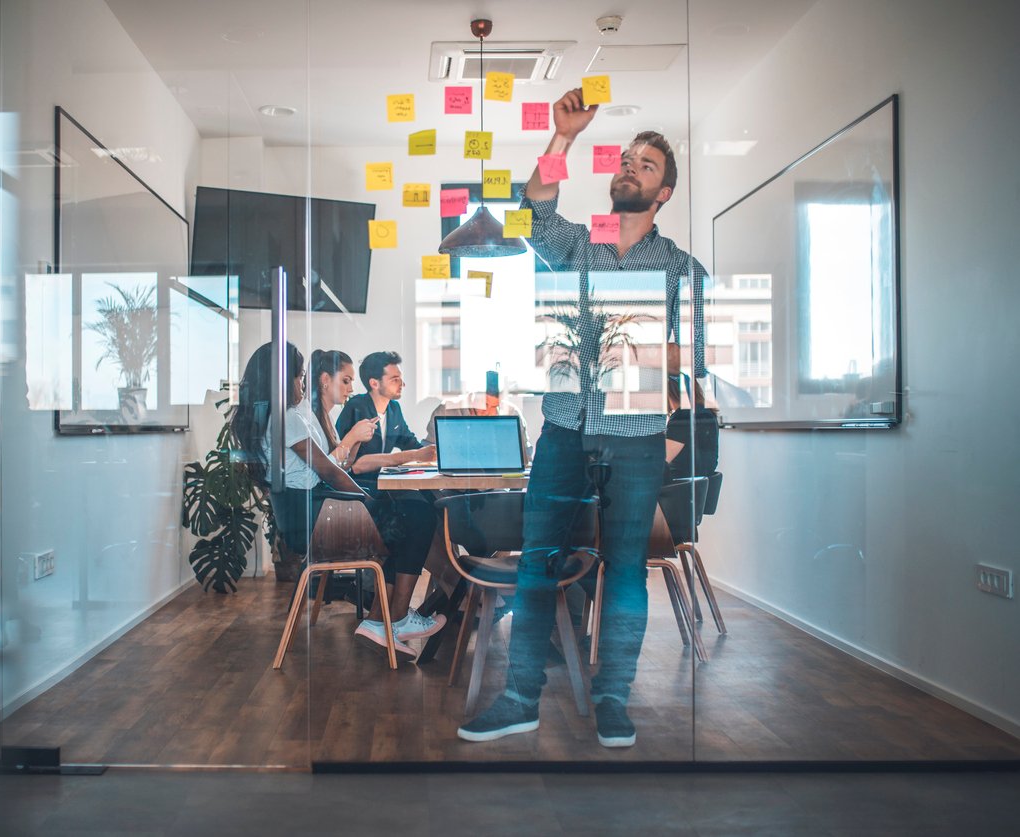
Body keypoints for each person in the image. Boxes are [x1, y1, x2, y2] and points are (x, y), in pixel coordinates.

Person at [457, 89, 707, 748]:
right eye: (626, 159)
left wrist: (637, 348)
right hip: (565, 429)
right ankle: (519, 698)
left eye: (646, 165)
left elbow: (703, 350)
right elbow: (534, 213)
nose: (630, 168)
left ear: (663, 193)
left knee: (624, 569)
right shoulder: (580, 244)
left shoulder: (680, 268)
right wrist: (563, 137)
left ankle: (613, 698)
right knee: (538, 561)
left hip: (637, 437)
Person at [230, 342, 416, 659]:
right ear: (282, 380)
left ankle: (393, 618)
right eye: (299, 377)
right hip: (316, 518)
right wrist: (367, 500)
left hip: (313, 512)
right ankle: (390, 619)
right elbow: (328, 471)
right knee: (414, 517)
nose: (303, 384)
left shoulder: (285, 417)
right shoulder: (288, 419)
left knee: (412, 512)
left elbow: (331, 469)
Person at [335, 350, 444, 652]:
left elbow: (412, 443)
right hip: (358, 497)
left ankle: (388, 619)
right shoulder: (357, 408)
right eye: (394, 378)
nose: (402, 384)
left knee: (423, 510)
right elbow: (353, 465)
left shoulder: (393, 410)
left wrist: (437, 450)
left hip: (383, 492)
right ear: (374, 383)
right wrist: (411, 455)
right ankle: (396, 617)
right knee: (418, 517)